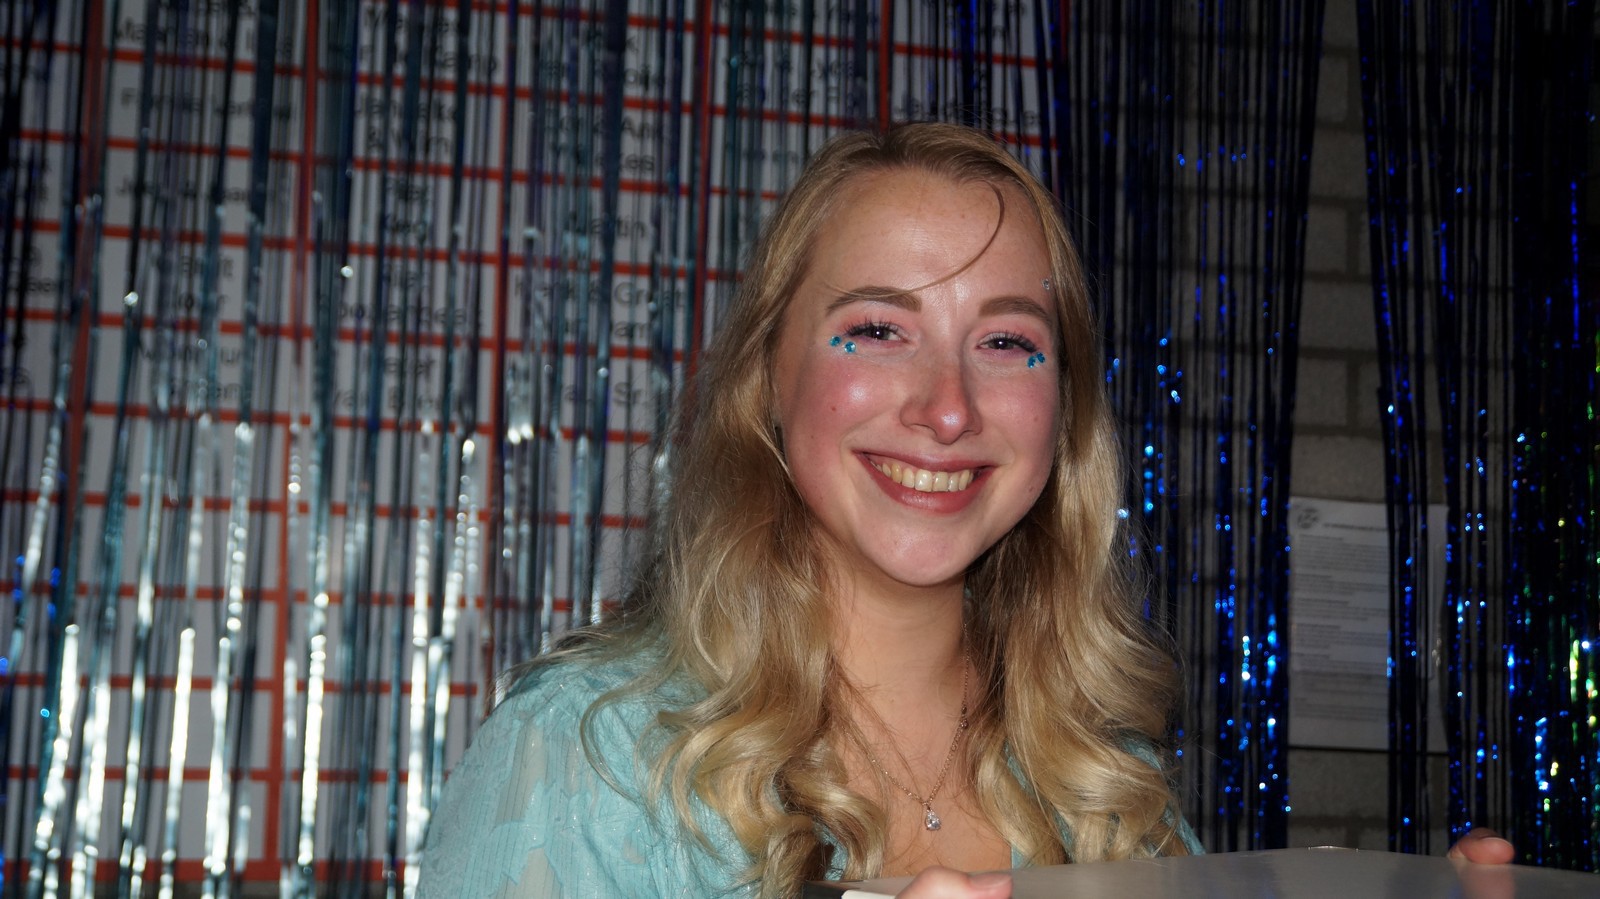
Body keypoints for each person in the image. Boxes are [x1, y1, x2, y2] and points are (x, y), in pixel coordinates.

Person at [416, 122, 1501, 897]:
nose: (947, 409)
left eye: (1008, 341)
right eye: (877, 329)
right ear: (767, 379)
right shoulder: (584, 753)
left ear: (1063, 414)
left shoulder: (1100, 782)